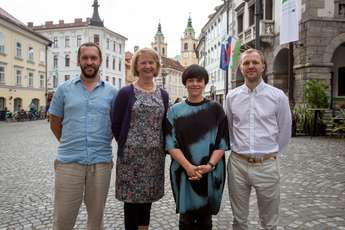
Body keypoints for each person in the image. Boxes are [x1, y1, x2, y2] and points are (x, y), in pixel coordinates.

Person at [48, 42, 117, 230]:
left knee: (96, 221)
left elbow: (115, 126)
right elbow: (55, 122)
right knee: (63, 220)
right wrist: (69, 143)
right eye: (85, 57)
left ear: (100, 61)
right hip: (69, 163)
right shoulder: (63, 89)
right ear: (79, 60)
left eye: (93, 58)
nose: (89, 62)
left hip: (101, 163)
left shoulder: (112, 93)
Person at [225, 48, 292, 230]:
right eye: (246, 63)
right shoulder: (232, 97)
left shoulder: (278, 97)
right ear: (241, 68)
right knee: (239, 220)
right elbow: (229, 127)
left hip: (267, 164)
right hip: (238, 164)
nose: (251, 66)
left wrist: (270, 153)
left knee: (269, 222)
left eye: (255, 62)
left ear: (263, 66)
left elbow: (285, 130)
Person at [111, 48, 169, 230]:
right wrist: (128, 146)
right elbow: (116, 123)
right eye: (143, 62)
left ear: (157, 66)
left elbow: (164, 123)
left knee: (147, 200)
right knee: (131, 202)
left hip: (154, 157)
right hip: (131, 158)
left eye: (151, 62)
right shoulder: (125, 93)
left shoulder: (163, 95)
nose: (147, 66)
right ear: (136, 65)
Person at [165, 64, 229, 230]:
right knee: (185, 220)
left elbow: (222, 142)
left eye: (199, 80)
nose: (195, 84)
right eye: (190, 80)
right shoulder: (174, 111)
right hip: (183, 170)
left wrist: (208, 166)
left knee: (205, 220)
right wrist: (188, 167)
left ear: (205, 83)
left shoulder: (216, 109)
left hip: (210, 171)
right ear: (185, 83)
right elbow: (170, 143)